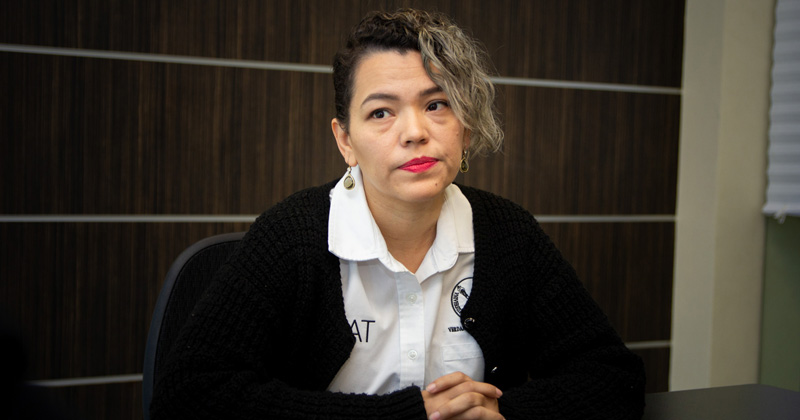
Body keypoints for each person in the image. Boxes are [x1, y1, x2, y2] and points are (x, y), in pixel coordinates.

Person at [151, 8, 645, 420]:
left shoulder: (509, 233)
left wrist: (503, 412)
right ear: (345, 140)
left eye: (437, 104)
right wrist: (403, 416)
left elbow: (612, 376)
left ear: (465, 127)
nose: (414, 132)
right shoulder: (290, 236)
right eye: (381, 112)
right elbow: (188, 395)